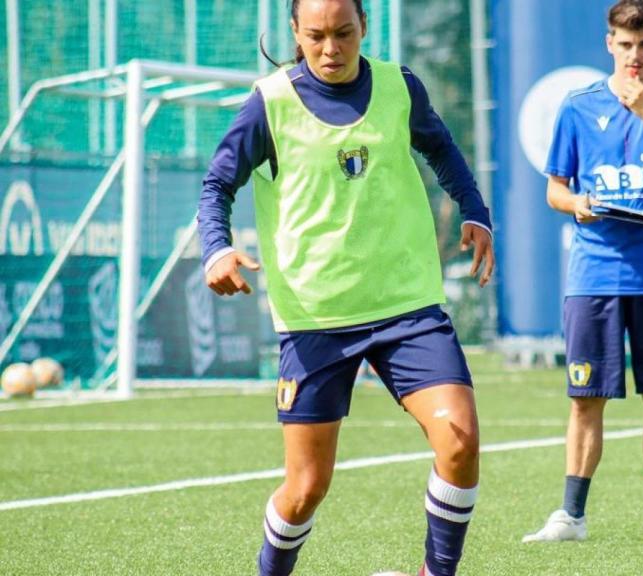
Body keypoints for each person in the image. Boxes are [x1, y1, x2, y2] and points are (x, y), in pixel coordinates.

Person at [197, 1, 495, 574]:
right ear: (295, 33)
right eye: (315, 36)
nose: (330, 49)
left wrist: (474, 211)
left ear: (364, 28)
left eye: (343, 34)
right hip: (315, 317)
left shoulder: (398, 85)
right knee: (306, 487)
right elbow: (217, 184)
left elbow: (441, 148)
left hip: (406, 305)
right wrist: (217, 247)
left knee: (459, 441)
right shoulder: (270, 102)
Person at [521, 0, 643, 544]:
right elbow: (554, 188)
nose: (635, 56)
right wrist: (576, 203)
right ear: (609, 44)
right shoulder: (577, 107)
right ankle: (570, 517)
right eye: (625, 45)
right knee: (585, 399)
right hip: (593, 276)